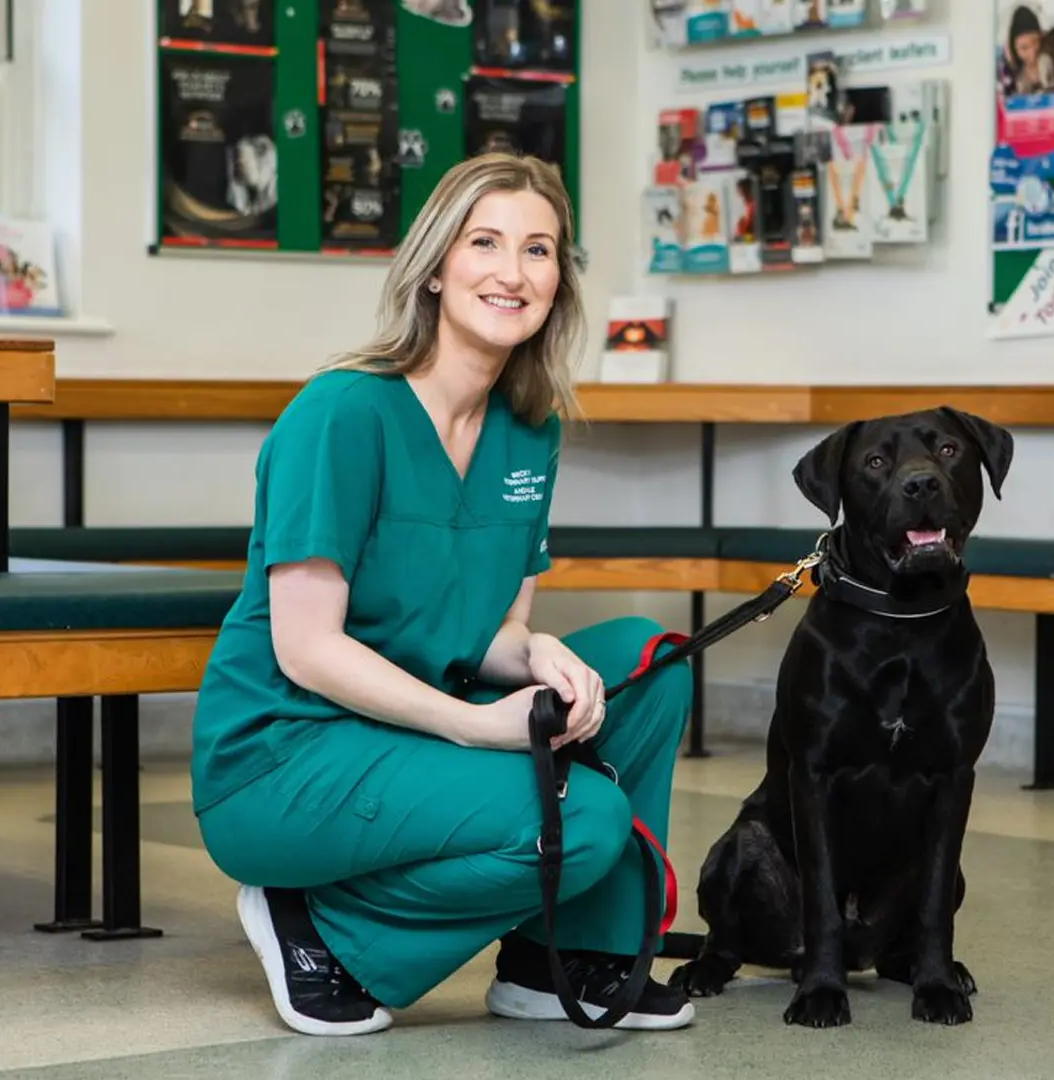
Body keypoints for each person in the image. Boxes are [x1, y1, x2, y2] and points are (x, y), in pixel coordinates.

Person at [189, 152, 696, 1037]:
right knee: (584, 822)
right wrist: (478, 726)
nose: (513, 272)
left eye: (538, 251)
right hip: (285, 756)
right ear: (433, 266)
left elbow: (494, 627)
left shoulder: (528, 432)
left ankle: (556, 959)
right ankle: (323, 928)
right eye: (486, 242)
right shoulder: (341, 414)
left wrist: (538, 653)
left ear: (557, 284)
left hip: (415, 721)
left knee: (652, 662)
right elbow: (306, 648)